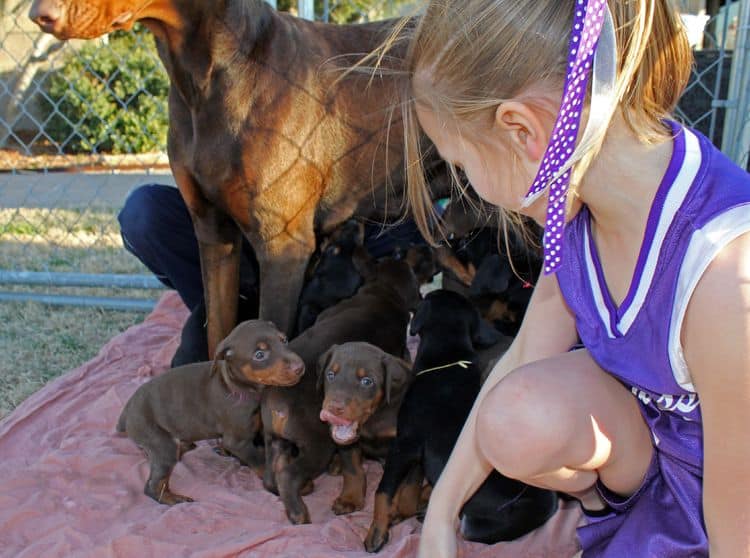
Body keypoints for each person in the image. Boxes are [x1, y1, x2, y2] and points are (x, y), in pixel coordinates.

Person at [385, 1, 750, 556]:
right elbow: (525, 353)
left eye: (460, 164)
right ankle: (624, 519)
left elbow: (738, 510)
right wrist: (442, 513)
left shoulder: (724, 271)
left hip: (734, 491)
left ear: (521, 131)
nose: (468, 184)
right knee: (514, 414)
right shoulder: (576, 212)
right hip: (660, 454)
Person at [117, 183, 426, 363]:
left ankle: (321, 326)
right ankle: (231, 317)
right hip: (250, 236)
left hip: (336, 239)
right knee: (145, 212)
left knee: (413, 224)